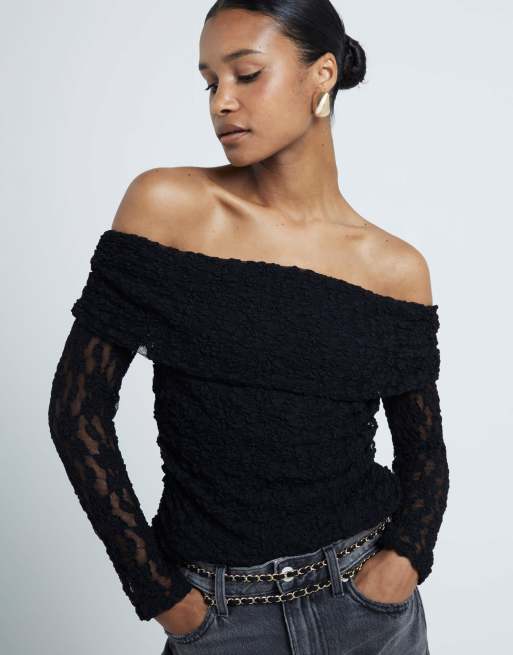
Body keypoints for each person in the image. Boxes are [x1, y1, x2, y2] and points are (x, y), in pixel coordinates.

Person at [47, 1, 449, 653]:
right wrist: (161, 594)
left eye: (247, 73)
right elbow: (77, 411)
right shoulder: (167, 208)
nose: (222, 102)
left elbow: (423, 451)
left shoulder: (394, 267)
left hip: (367, 611)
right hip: (219, 617)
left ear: (322, 74)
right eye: (210, 82)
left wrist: (401, 560)